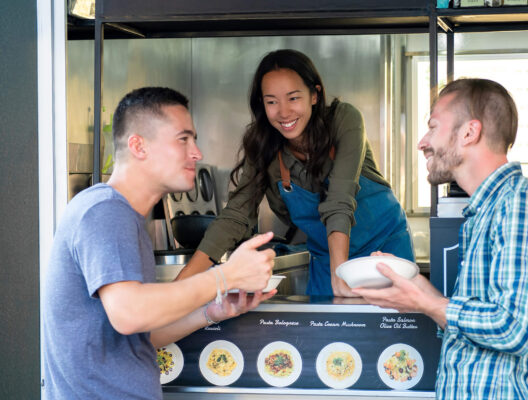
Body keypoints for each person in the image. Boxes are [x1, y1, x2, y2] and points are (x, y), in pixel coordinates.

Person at [41, 87, 277, 399]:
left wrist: (212, 312)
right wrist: (225, 276)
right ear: (138, 145)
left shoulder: (122, 216)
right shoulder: (105, 212)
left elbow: (139, 335)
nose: (197, 153)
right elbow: (130, 314)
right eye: (183, 139)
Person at [354, 78, 528, 399]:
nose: (422, 142)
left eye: (433, 127)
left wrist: (425, 302)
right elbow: (473, 322)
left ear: (469, 132)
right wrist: (414, 287)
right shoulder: (483, 211)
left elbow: (513, 329)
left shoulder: (521, 203)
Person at [176, 49, 414, 297]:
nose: (284, 112)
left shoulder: (344, 119)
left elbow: (339, 201)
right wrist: (181, 289)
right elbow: (235, 217)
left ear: (314, 94)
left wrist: (340, 279)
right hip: (326, 260)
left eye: (293, 98)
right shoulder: (263, 145)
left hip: (383, 253)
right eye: (271, 102)